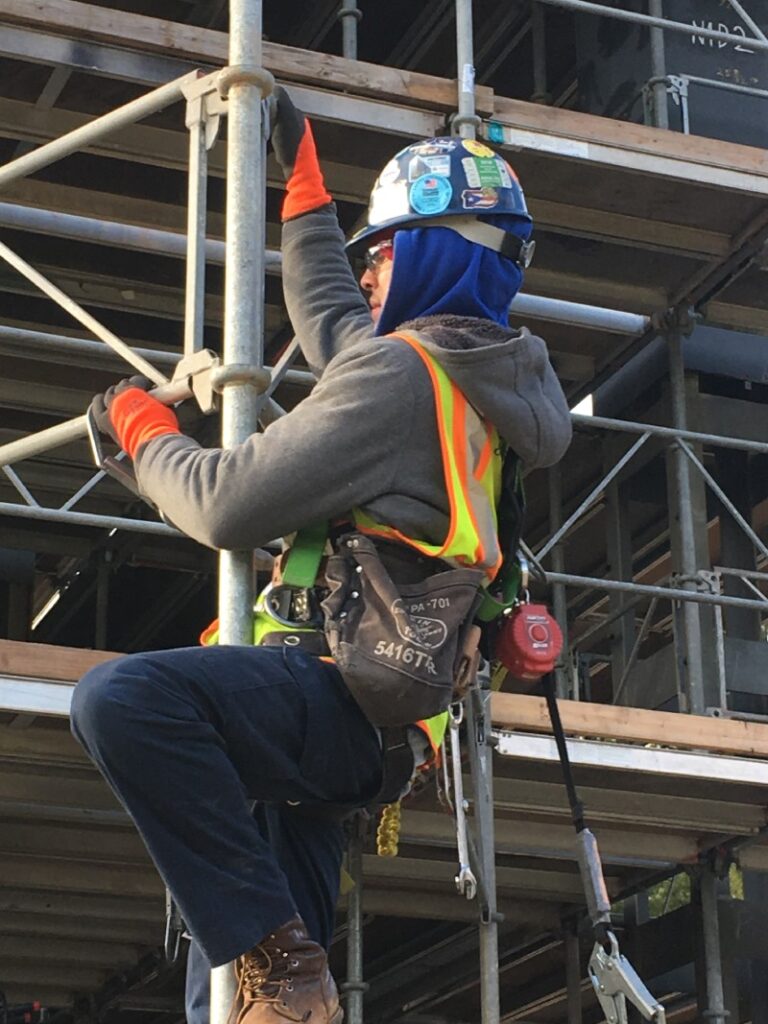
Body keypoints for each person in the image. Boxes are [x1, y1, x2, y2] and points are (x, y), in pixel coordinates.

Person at [71, 86, 571, 1024]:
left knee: (125, 703)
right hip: (380, 729)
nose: (368, 274)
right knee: (249, 1009)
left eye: (380, 254)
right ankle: (284, 965)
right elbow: (331, 317)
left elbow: (222, 507)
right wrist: (300, 184)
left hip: (327, 693)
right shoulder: (477, 380)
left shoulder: (396, 380)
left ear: (423, 254)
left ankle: (277, 957)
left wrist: (138, 436)